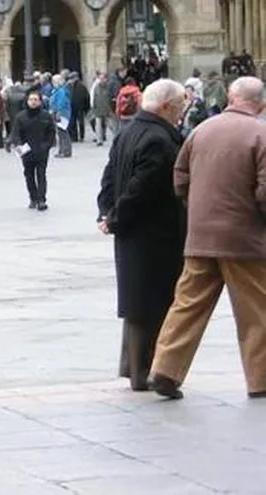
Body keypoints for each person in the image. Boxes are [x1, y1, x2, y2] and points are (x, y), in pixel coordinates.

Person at [149, 77, 266, 400]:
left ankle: (165, 369)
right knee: (258, 311)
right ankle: (261, 379)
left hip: (200, 236)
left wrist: (195, 209)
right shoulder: (261, 134)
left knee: (187, 305)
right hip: (244, 240)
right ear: (261, 103)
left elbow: (180, 175)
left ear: (230, 97)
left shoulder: (202, 130)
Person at [96, 79, 188, 392]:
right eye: (178, 108)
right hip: (154, 232)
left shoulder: (127, 132)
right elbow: (141, 187)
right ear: (165, 106)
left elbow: (109, 178)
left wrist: (106, 213)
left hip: (130, 230)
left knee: (137, 298)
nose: (180, 114)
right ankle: (145, 371)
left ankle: (132, 367)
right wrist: (116, 215)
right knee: (155, 301)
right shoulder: (159, 140)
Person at [9, 89, 56, 211]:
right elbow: (16, 133)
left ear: (40, 102)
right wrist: (18, 144)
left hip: (41, 151)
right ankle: (33, 198)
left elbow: (51, 132)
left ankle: (41, 200)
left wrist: (47, 145)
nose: (33, 102)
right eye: (31, 100)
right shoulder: (21, 117)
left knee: (41, 175)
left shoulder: (46, 116)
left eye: (36, 100)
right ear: (27, 101)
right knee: (29, 175)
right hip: (26, 151)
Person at [50, 74, 73, 158]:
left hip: (62, 113)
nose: (53, 83)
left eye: (54, 81)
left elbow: (61, 102)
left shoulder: (61, 91)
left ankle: (66, 151)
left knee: (63, 132)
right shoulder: (57, 90)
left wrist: (58, 112)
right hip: (58, 112)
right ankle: (62, 150)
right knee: (60, 133)